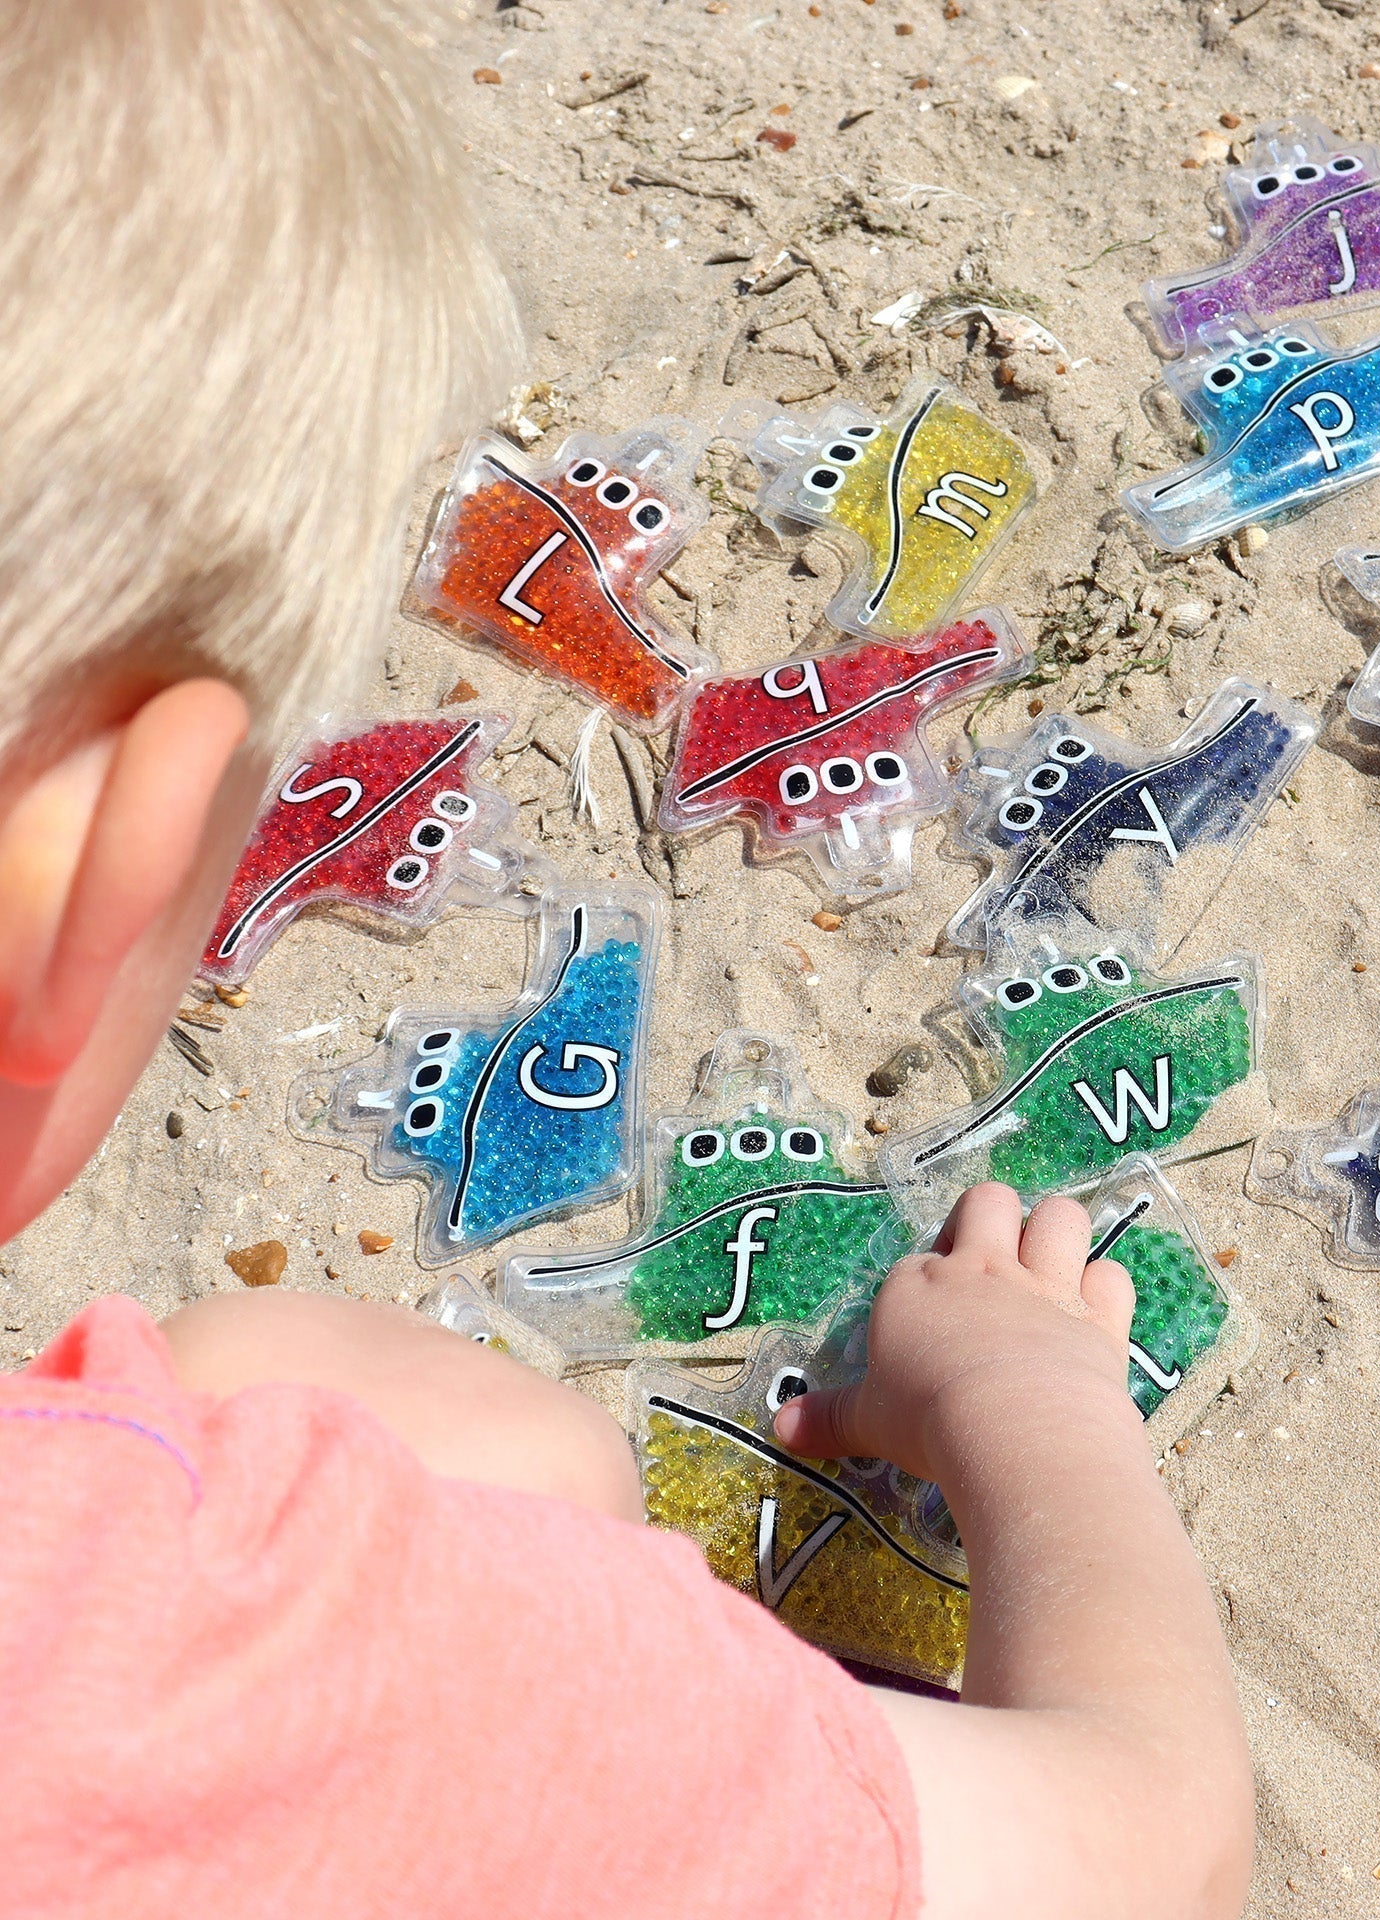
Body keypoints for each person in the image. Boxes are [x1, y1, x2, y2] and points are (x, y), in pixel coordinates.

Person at [0, 4, 1255, 1918]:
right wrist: (1037, 1405)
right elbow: (1152, 1842)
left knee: (331, 1386)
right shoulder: (222, 1692)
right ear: (105, 878)